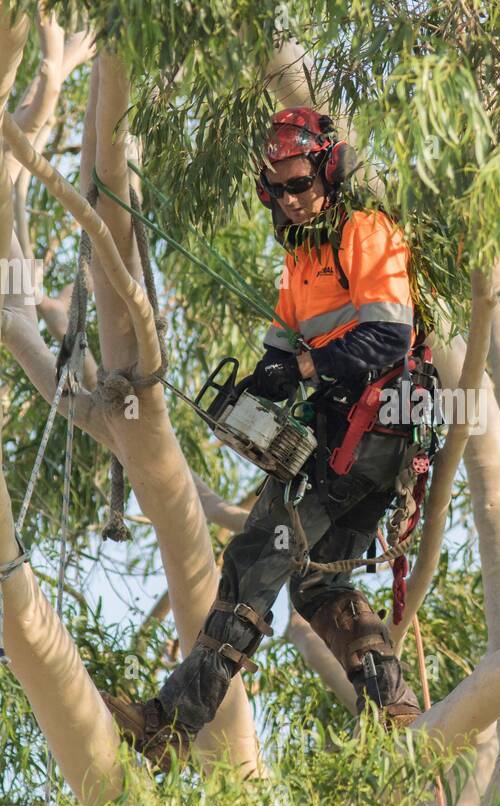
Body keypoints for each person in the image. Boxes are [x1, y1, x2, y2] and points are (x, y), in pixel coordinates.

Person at [102, 108, 429, 768]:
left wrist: (304, 367)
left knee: (256, 558)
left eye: (301, 184)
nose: (291, 199)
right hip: (350, 440)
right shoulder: (299, 262)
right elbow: (282, 354)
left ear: (328, 174)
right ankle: (395, 709)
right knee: (318, 588)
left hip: (373, 428)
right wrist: (256, 388)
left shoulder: (366, 232)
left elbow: (389, 335)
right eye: (277, 189)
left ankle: (171, 723)